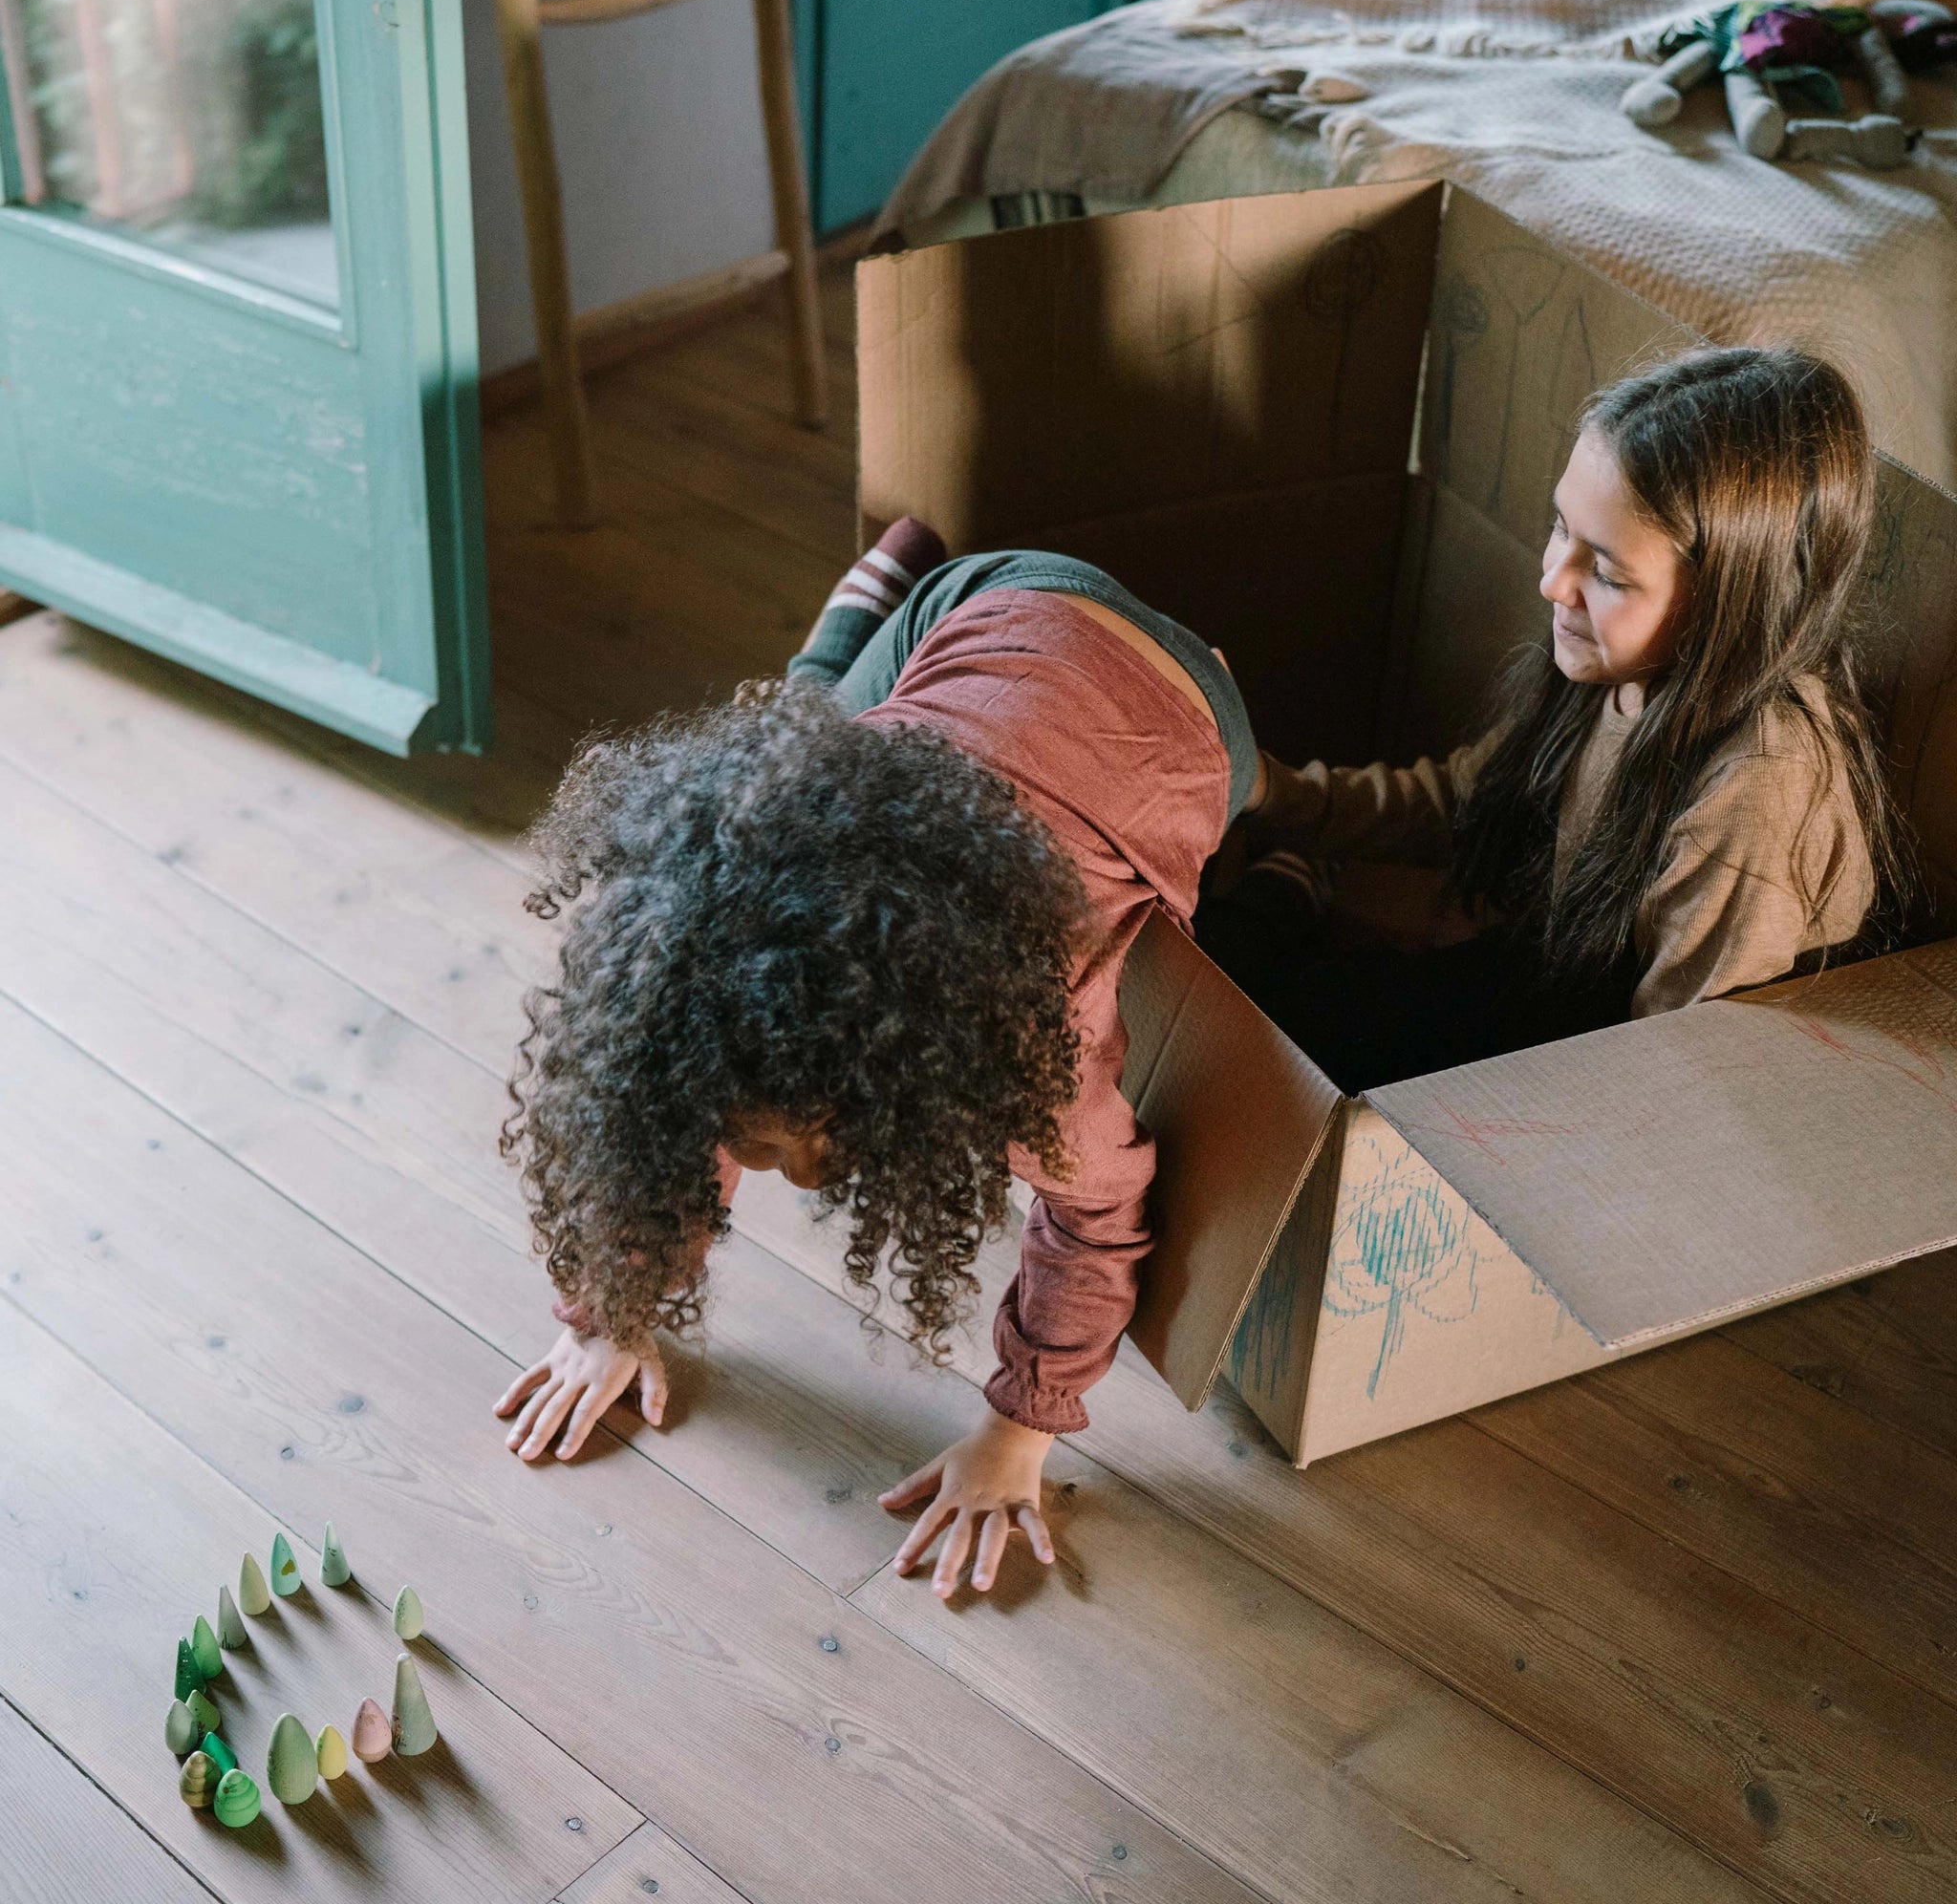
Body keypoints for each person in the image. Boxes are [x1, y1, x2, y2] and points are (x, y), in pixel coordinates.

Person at [492, 524, 1265, 1602]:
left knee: (803, 734)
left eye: (799, 1145)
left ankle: (858, 621)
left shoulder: (1033, 1028)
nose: (803, 1182)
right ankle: (867, 600)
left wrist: (1018, 1428)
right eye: (753, 1143)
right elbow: (673, 1101)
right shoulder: (690, 956)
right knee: (776, 786)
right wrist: (612, 1308)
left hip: (1158, 685)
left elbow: (1101, 1217)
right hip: (979, 622)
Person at [1198, 345, 1910, 1091]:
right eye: (1558, 526)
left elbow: (1684, 1067)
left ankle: (1290, 888)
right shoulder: (1617, 661)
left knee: (1275, 1069)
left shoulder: (1758, 788)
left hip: (1612, 1064)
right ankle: (1290, 882)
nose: (1551, 581)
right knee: (1259, 1015)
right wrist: (1271, 792)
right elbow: (1464, 800)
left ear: (1730, 599)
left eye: (1605, 572)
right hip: (1552, 980)